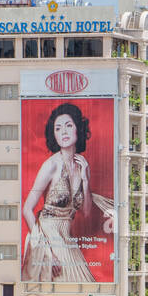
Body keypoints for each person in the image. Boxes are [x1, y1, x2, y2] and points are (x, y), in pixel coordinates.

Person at [21, 102, 114, 283]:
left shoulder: (82, 165)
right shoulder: (51, 165)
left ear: (78, 129)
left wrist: (85, 181)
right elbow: (26, 209)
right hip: (47, 237)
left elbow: (86, 213)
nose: (63, 132)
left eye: (68, 125)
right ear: (53, 134)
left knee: (84, 284)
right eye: (58, 128)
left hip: (67, 238)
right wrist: (46, 251)